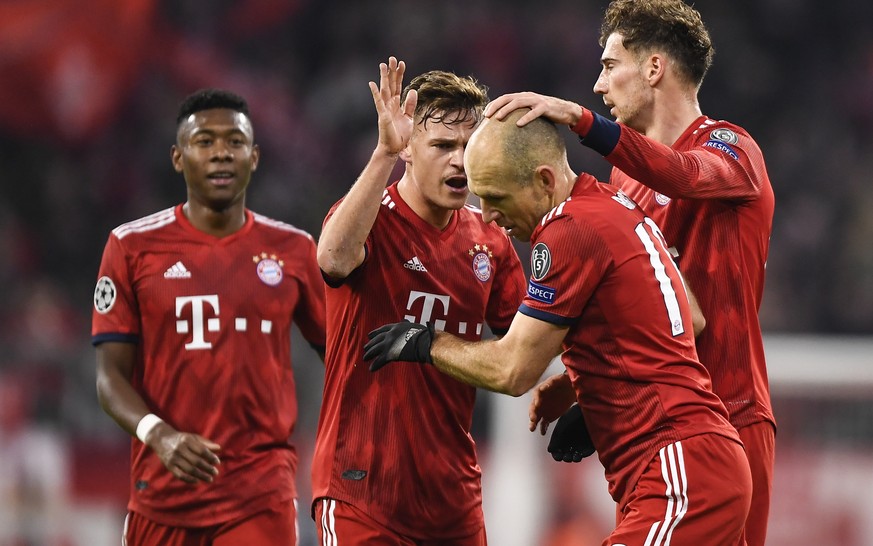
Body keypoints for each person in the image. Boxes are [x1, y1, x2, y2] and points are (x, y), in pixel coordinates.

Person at [364, 109, 753, 545]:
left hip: (677, 468)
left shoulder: (568, 230)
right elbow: (686, 317)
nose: (489, 216)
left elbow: (513, 370)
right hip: (693, 465)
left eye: (497, 197)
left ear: (545, 181)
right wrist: (586, 389)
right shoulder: (612, 203)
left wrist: (427, 341)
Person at [484, 1, 776, 543]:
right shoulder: (623, 178)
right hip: (658, 429)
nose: (598, 85)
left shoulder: (733, 149)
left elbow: (685, 175)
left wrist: (580, 122)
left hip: (731, 411)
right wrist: (579, 384)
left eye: (610, 64)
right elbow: (641, 297)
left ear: (654, 68)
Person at [91, 88, 326, 545]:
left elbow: (341, 355)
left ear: (254, 156)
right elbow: (109, 378)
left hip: (261, 493)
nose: (221, 152)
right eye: (205, 141)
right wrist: (158, 435)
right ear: (178, 158)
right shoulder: (130, 247)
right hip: (162, 492)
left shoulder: (294, 251)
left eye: (234, 142)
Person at [312, 57, 526, 545]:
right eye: (443, 145)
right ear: (409, 148)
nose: (459, 160)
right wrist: (382, 152)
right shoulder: (372, 218)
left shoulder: (489, 239)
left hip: (453, 499)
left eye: (468, 146)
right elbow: (332, 260)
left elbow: (524, 344)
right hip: (362, 492)